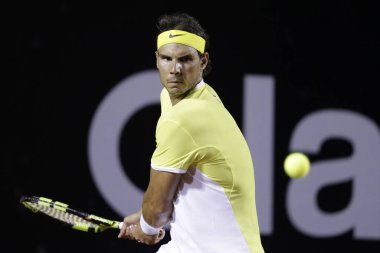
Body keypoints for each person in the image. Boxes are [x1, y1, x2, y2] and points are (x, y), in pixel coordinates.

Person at [118, 12, 265, 253]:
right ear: (156, 60)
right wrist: (144, 217)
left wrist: (147, 227)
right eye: (167, 59)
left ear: (203, 62)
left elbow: (157, 209)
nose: (175, 69)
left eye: (185, 59)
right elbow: (173, 191)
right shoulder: (180, 98)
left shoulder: (186, 117)